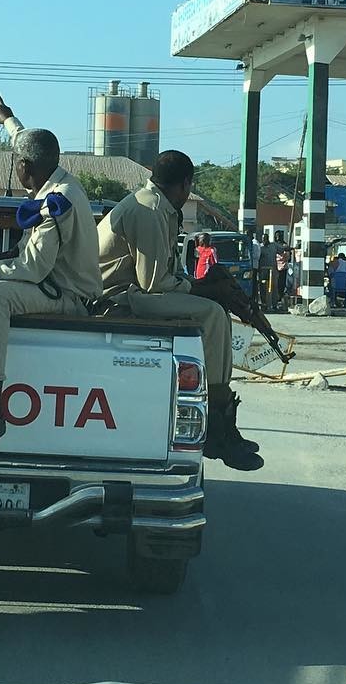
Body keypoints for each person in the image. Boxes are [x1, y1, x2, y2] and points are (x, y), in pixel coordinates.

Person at [0, 93, 101, 449]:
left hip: (68, 294)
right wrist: (8, 120)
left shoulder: (55, 203)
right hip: (51, 283)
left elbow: (32, 267)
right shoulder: (53, 177)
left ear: (26, 167)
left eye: (16, 163)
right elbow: (27, 143)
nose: (15, 168)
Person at [97, 150, 262, 471]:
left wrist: (206, 287)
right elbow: (154, 282)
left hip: (133, 291)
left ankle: (220, 418)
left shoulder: (153, 204)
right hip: (116, 298)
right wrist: (209, 290)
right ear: (185, 184)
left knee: (215, 308)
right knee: (213, 314)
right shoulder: (150, 209)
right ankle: (217, 427)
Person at [272, 231, 291, 310]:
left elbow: (288, 257)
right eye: (277, 236)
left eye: (279, 236)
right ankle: (276, 298)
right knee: (275, 284)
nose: (278, 238)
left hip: (283, 268)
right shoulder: (273, 245)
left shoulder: (285, 245)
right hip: (275, 267)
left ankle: (280, 297)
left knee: (282, 284)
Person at [257, 230, 276, 304]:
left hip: (272, 270)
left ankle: (273, 303)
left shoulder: (273, 246)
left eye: (265, 238)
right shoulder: (260, 247)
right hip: (263, 270)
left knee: (273, 287)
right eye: (263, 239)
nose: (264, 240)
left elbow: (282, 249)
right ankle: (263, 302)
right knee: (262, 286)